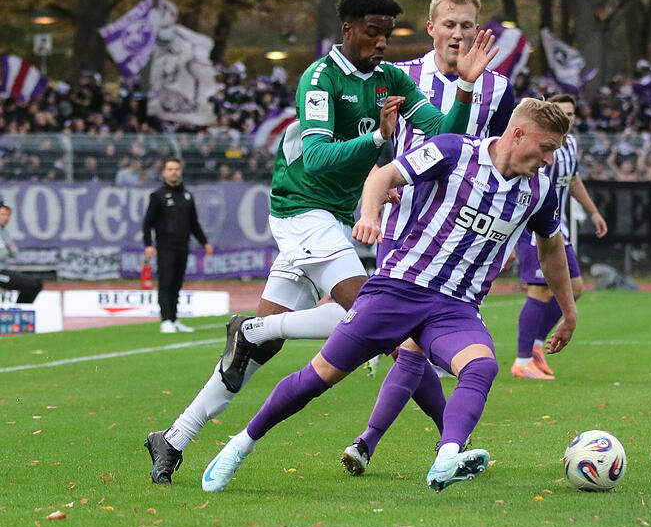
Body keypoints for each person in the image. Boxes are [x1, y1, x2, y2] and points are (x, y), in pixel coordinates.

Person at [144, 0, 497, 484]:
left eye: (387, 35)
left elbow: (447, 140)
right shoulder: (319, 78)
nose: (381, 44)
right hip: (301, 211)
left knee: (258, 358)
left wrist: (464, 88)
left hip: (332, 214)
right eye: (373, 33)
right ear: (348, 30)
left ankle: (174, 437)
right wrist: (377, 137)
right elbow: (315, 157)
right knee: (373, 319)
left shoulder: (390, 78)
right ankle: (254, 329)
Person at [201, 98, 577, 494]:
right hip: (398, 289)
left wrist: (568, 313)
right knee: (319, 378)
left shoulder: (538, 191)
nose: (549, 160)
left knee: (481, 367)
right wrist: (369, 214)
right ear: (518, 134)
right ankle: (239, 445)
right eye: (547, 147)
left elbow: (551, 250)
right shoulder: (454, 151)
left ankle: (447, 457)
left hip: (455, 307)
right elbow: (381, 177)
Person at [342, 0, 515, 473]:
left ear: (476, 30)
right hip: (403, 226)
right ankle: (444, 443)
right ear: (431, 28)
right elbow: (373, 140)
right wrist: (376, 187)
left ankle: (383, 443)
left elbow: (506, 156)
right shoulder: (402, 76)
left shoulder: (498, 88)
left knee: (410, 344)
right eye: (450, 25)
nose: (457, 34)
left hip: (458, 236)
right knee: (404, 342)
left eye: (466, 26)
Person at [512, 94, 607, 379]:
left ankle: (537, 345)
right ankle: (522, 359)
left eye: (572, 113)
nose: (569, 117)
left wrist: (593, 212)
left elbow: (574, 180)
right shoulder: (541, 147)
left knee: (575, 288)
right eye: (563, 112)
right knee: (539, 291)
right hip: (535, 229)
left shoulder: (571, 144)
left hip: (560, 228)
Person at [142, 157, 214, 334]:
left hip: (183, 245)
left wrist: (204, 242)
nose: (173, 172)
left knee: (177, 283)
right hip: (165, 245)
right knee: (166, 282)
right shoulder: (157, 196)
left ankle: (174, 319)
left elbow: (193, 223)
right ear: (164, 173)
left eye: (176, 169)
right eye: (170, 169)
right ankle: (165, 319)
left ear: (180, 171)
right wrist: (148, 244)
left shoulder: (187, 195)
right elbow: (147, 223)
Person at [0, 201, 43, 303]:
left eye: (8, 215)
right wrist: (7, 249)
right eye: (2, 214)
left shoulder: (4, 232)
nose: (6, 218)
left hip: (3, 270)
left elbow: (14, 252)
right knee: (31, 284)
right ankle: (19, 312)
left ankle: (19, 312)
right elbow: (5, 253)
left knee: (36, 283)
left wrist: (7, 249)